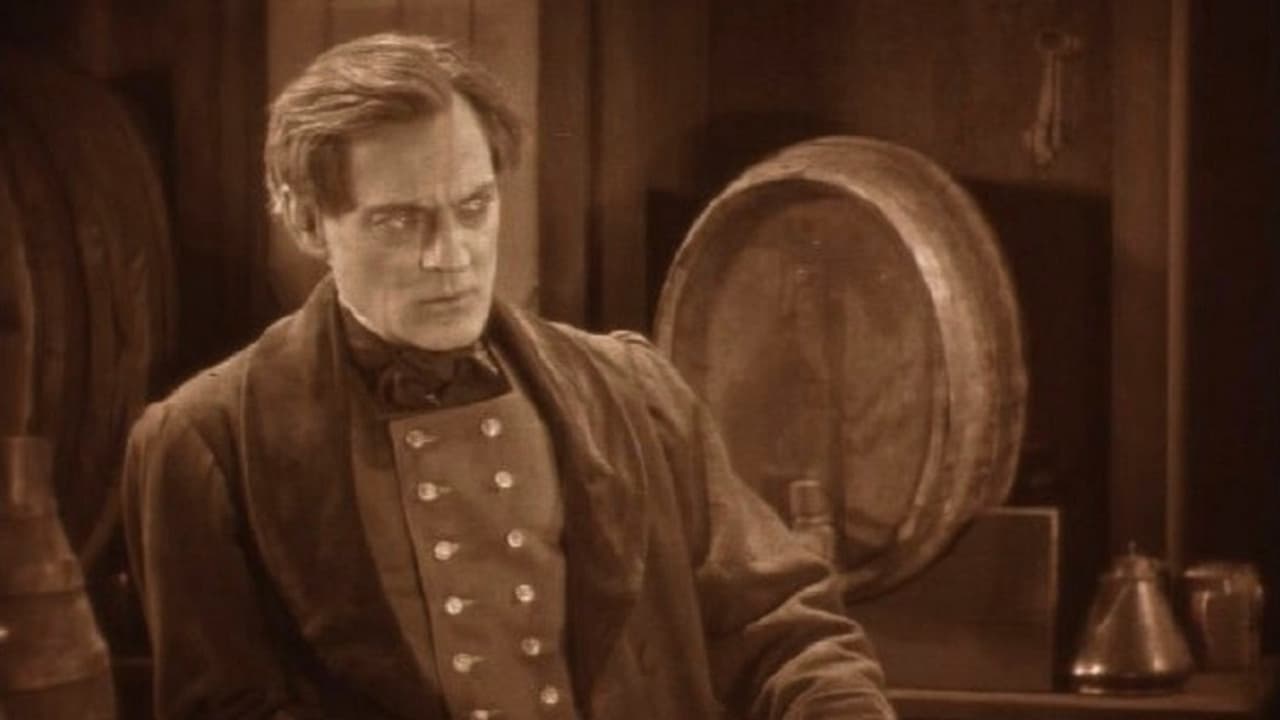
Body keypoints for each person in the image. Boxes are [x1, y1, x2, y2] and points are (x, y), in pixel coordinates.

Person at [121, 32, 895, 720]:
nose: (451, 256)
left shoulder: (633, 392)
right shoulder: (205, 445)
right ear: (304, 220)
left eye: (473, 207)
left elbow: (783, 632)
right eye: (400, 221)